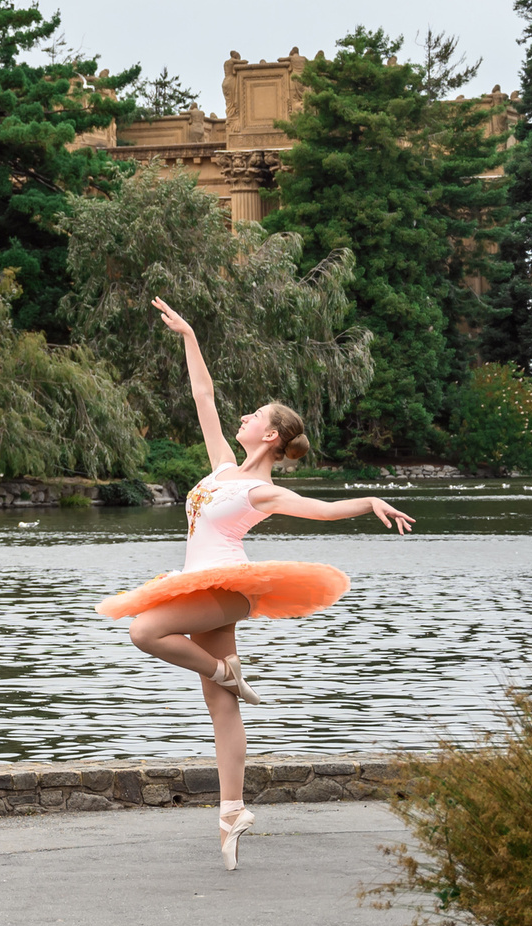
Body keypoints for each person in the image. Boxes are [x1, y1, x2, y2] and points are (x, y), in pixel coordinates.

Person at [97, 297, 414, 870]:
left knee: (144, 632)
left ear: (271, 437)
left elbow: (320, 509)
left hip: (225, 587)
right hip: (193, 583)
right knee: (221, 709)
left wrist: (369, 500)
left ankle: (226, 672)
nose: (243, 418)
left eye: (254, 416)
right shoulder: (221, 468)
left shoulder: (262, 492)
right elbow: (204, 399)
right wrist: (190, 336)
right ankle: (232, 812)